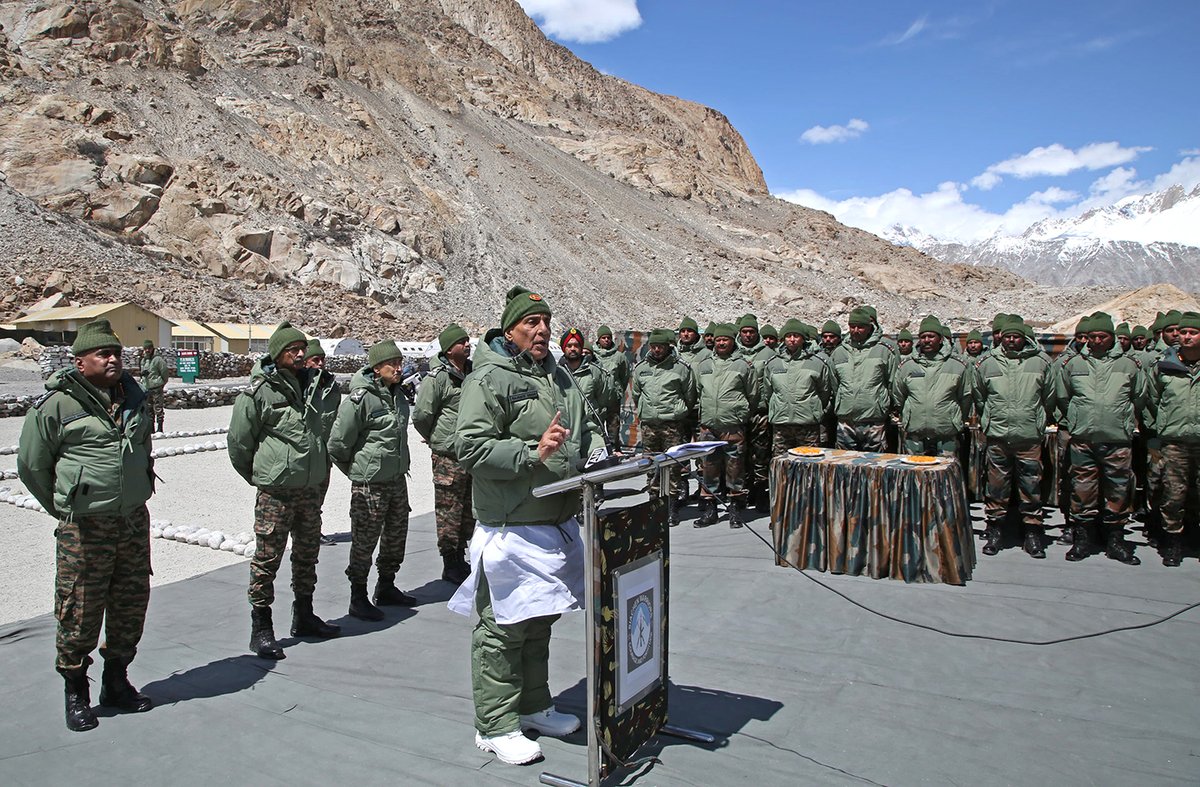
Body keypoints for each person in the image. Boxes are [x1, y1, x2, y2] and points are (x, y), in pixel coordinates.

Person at [448, 286, 604, 766]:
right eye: (530, 323)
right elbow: (469, 447)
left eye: (546, 322)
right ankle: (494, 726)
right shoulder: (489, 378)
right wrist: (531, 453)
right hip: (511, 527)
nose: (541, 331)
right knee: (502, 630)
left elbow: (583, 424)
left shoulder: (555, 374)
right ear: (510, 330)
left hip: (554, 522)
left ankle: (534, 706)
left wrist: (594, 446)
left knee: (538, 623)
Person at [18, 319, 155, 731]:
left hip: (131, 521)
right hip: (84, 527)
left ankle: (117, 681)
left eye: (116, 352)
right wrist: (66, 506)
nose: (113, 358)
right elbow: (32, 466)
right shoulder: (56, 406)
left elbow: (143, 448)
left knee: (130, 604)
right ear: (79, 362)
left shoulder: (135, 397)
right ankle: (75, 690)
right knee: (79, 609)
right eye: (102, 353)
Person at [228, 322, 340, 661]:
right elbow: (239, 443)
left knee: (307, 555)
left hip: (309, 490)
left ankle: (303, 615)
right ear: (277, 354)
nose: (300, 353)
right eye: (292, 349)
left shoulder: (316, 386)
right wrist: (264, 474)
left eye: (302, 348)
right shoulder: (260, 392)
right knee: (267, 558)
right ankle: (261, 628)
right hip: (276, 492)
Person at [327, 340, 417, 620]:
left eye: (400, 362)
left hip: (396, 480)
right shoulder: (361, 399)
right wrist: (359, 471)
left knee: (395, 536)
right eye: (394, 364)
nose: (399, 368)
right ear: (377, 368)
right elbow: (338, 444)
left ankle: (387, 585)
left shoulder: (397, 395)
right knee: (365, 541)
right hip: (370, 484)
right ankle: (358, 595)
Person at [1057, 313, 1148, 565]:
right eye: (1093, 336)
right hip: (1084, 438)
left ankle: (1116, 541)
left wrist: (1123, 420)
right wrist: (1077, 418)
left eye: (1102, 336)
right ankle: (1082, 539)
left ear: (1112, 337)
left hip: (1117, 439)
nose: (1096, 340)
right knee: (1082, 489)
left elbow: (1139, 397)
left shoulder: (1129, 365)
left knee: (1118, 490)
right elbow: (1063, 397)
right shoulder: (1074, 364)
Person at [973, 318, 1057, 558]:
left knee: (1031, 486)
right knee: (996, 486)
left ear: (1024, 338)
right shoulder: (987, 363)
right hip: (998, 437)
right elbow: (980, 397)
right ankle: (996, 530)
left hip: (1028, 437)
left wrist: (1037, 420)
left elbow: (1049, 397)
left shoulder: (1040, 362)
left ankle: (1031, 532)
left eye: (1016, 336)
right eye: (1007, 336)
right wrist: (989, 420)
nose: (1011, 340)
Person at [413, 324, 475, 584]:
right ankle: (450, 562)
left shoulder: (473, 373)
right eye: (462, 342)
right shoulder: (437, 378)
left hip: (471, 454)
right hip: (448, 457)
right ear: (450, 349)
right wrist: (435, 439)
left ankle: (461, 557)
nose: (468, 345)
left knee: (468, 511)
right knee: (449, 511)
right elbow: (421, 415)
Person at [1147, 311, 1200, 565]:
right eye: (1184, 332)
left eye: (1193, 332)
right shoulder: (1164, 365)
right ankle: (1173, 542)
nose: (1186, 336)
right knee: (1173, 494)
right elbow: (1151, 400)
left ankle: (1194, 536)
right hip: (1174, 441)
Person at [631, 327, 696, 525]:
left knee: (673, 466)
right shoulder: (641, 368)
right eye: (654, 346)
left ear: (668, 347)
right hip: (650, 425)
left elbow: (690, 395)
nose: (657, 350)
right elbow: (636, 394)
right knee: (652, 465)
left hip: (672, 425)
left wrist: (678, 410)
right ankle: (654, 502)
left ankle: (671, 505)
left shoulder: (681, 369)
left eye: (660, 346)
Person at [693, 323, 755, 528]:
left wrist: (740, 412)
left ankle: (735, 510)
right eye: (718, 339)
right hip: (709, 426)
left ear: (732, 341)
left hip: (733, 426)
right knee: (708, 467)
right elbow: (696, 391)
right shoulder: (703, 365)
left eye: (725, 339)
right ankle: (710, 509)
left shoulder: (743, 366)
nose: (721, 342)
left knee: (735, 468)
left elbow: (753, 395)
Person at [893, 316, 972, 458]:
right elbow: (899, 396)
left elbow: (965, 397)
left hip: (946, 433)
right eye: (923, 336)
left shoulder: (957, 365)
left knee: (945, 476)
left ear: (941, 339)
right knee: (915, 475)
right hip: (915, 433)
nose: (927, 340)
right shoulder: (907, 366)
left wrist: (956, 418)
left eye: (931, 336)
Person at [829, 306, 897, 452]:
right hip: (846, 421)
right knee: (844, 465)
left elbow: (892, 383)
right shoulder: (839, 352)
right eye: (852, 326)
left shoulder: (884, 350)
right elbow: (834, 385)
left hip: (874, 420)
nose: (856, 330)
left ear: (869, 327)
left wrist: (884, 405)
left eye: (860, 327)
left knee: (875, 467)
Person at [762, 319, 831, 455]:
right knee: (781, 463)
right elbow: (768, 392)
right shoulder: (773, 364)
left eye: (796, 336)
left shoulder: (817, 363)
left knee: (808, 465)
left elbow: (824, 392)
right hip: (781, 424)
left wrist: (812, 408)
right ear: (783, 339)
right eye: (788, 336)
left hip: (808, 424)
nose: (792, 339)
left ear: (803, 339)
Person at [735, 314, 775, 512]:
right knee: (739, 455)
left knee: (760, 454)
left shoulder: (768, 354)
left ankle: (761, 493)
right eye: (745, 332)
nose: (748, 335)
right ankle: (743, 493)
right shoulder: (733, 353)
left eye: (751, 332)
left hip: (760, 413)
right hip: (738, 414)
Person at [303, 338, 342, 546]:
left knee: (319, 494)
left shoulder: (331, 385)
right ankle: (304, 533)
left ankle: (314, 531)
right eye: (315, 360)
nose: (320, 364)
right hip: (305, 452)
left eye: (322, 360)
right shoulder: (300, 385)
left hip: (324, 452)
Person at [592, 325, 629, 445]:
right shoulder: (593, 356)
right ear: (598, 339)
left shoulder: (619, 356)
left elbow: (625, 375)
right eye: (603, 338)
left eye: (608, 338)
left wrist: (618, 390)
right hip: (597, 398)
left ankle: (614, 449)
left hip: (613, 399)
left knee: (614, 426)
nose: (606, 340)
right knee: (596, 426)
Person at [139, 339, 168, 433]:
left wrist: (161, 383)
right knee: (149, 409)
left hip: (156, 387)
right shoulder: (143, 360)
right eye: (145, 348)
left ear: (152, 348)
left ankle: (160, 428)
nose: (147, 350)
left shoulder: (158, 360)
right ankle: (151, 428)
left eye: (149, 348)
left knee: (158, 408)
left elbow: (164, 372)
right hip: (147, 387)